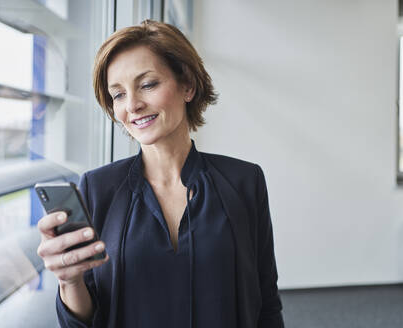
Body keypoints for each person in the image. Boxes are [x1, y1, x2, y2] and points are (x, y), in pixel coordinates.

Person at [36, 20, 284, 328]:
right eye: (118, 94)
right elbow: (83, 322)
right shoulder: (98, 189)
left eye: (148, 84)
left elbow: (266, 303)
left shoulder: (244, 181)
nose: (133, 105)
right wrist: (69, 281)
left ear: (188, 85)